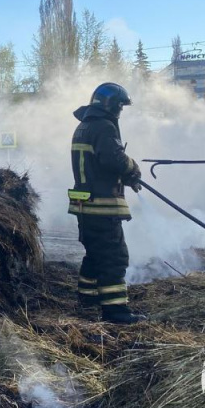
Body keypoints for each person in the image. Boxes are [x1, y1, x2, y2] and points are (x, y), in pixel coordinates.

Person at [68, 82, 147, 324]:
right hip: (102, 207)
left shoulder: (84, 126)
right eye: (120, 107)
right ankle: (116, 312)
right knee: (114, 257)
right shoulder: (103, 126)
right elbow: (113, 158)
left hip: (85, 206)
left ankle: (88, 298)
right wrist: (133, 168)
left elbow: (99, 163)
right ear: (110, 105)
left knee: (95, 255)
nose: (120, 112)